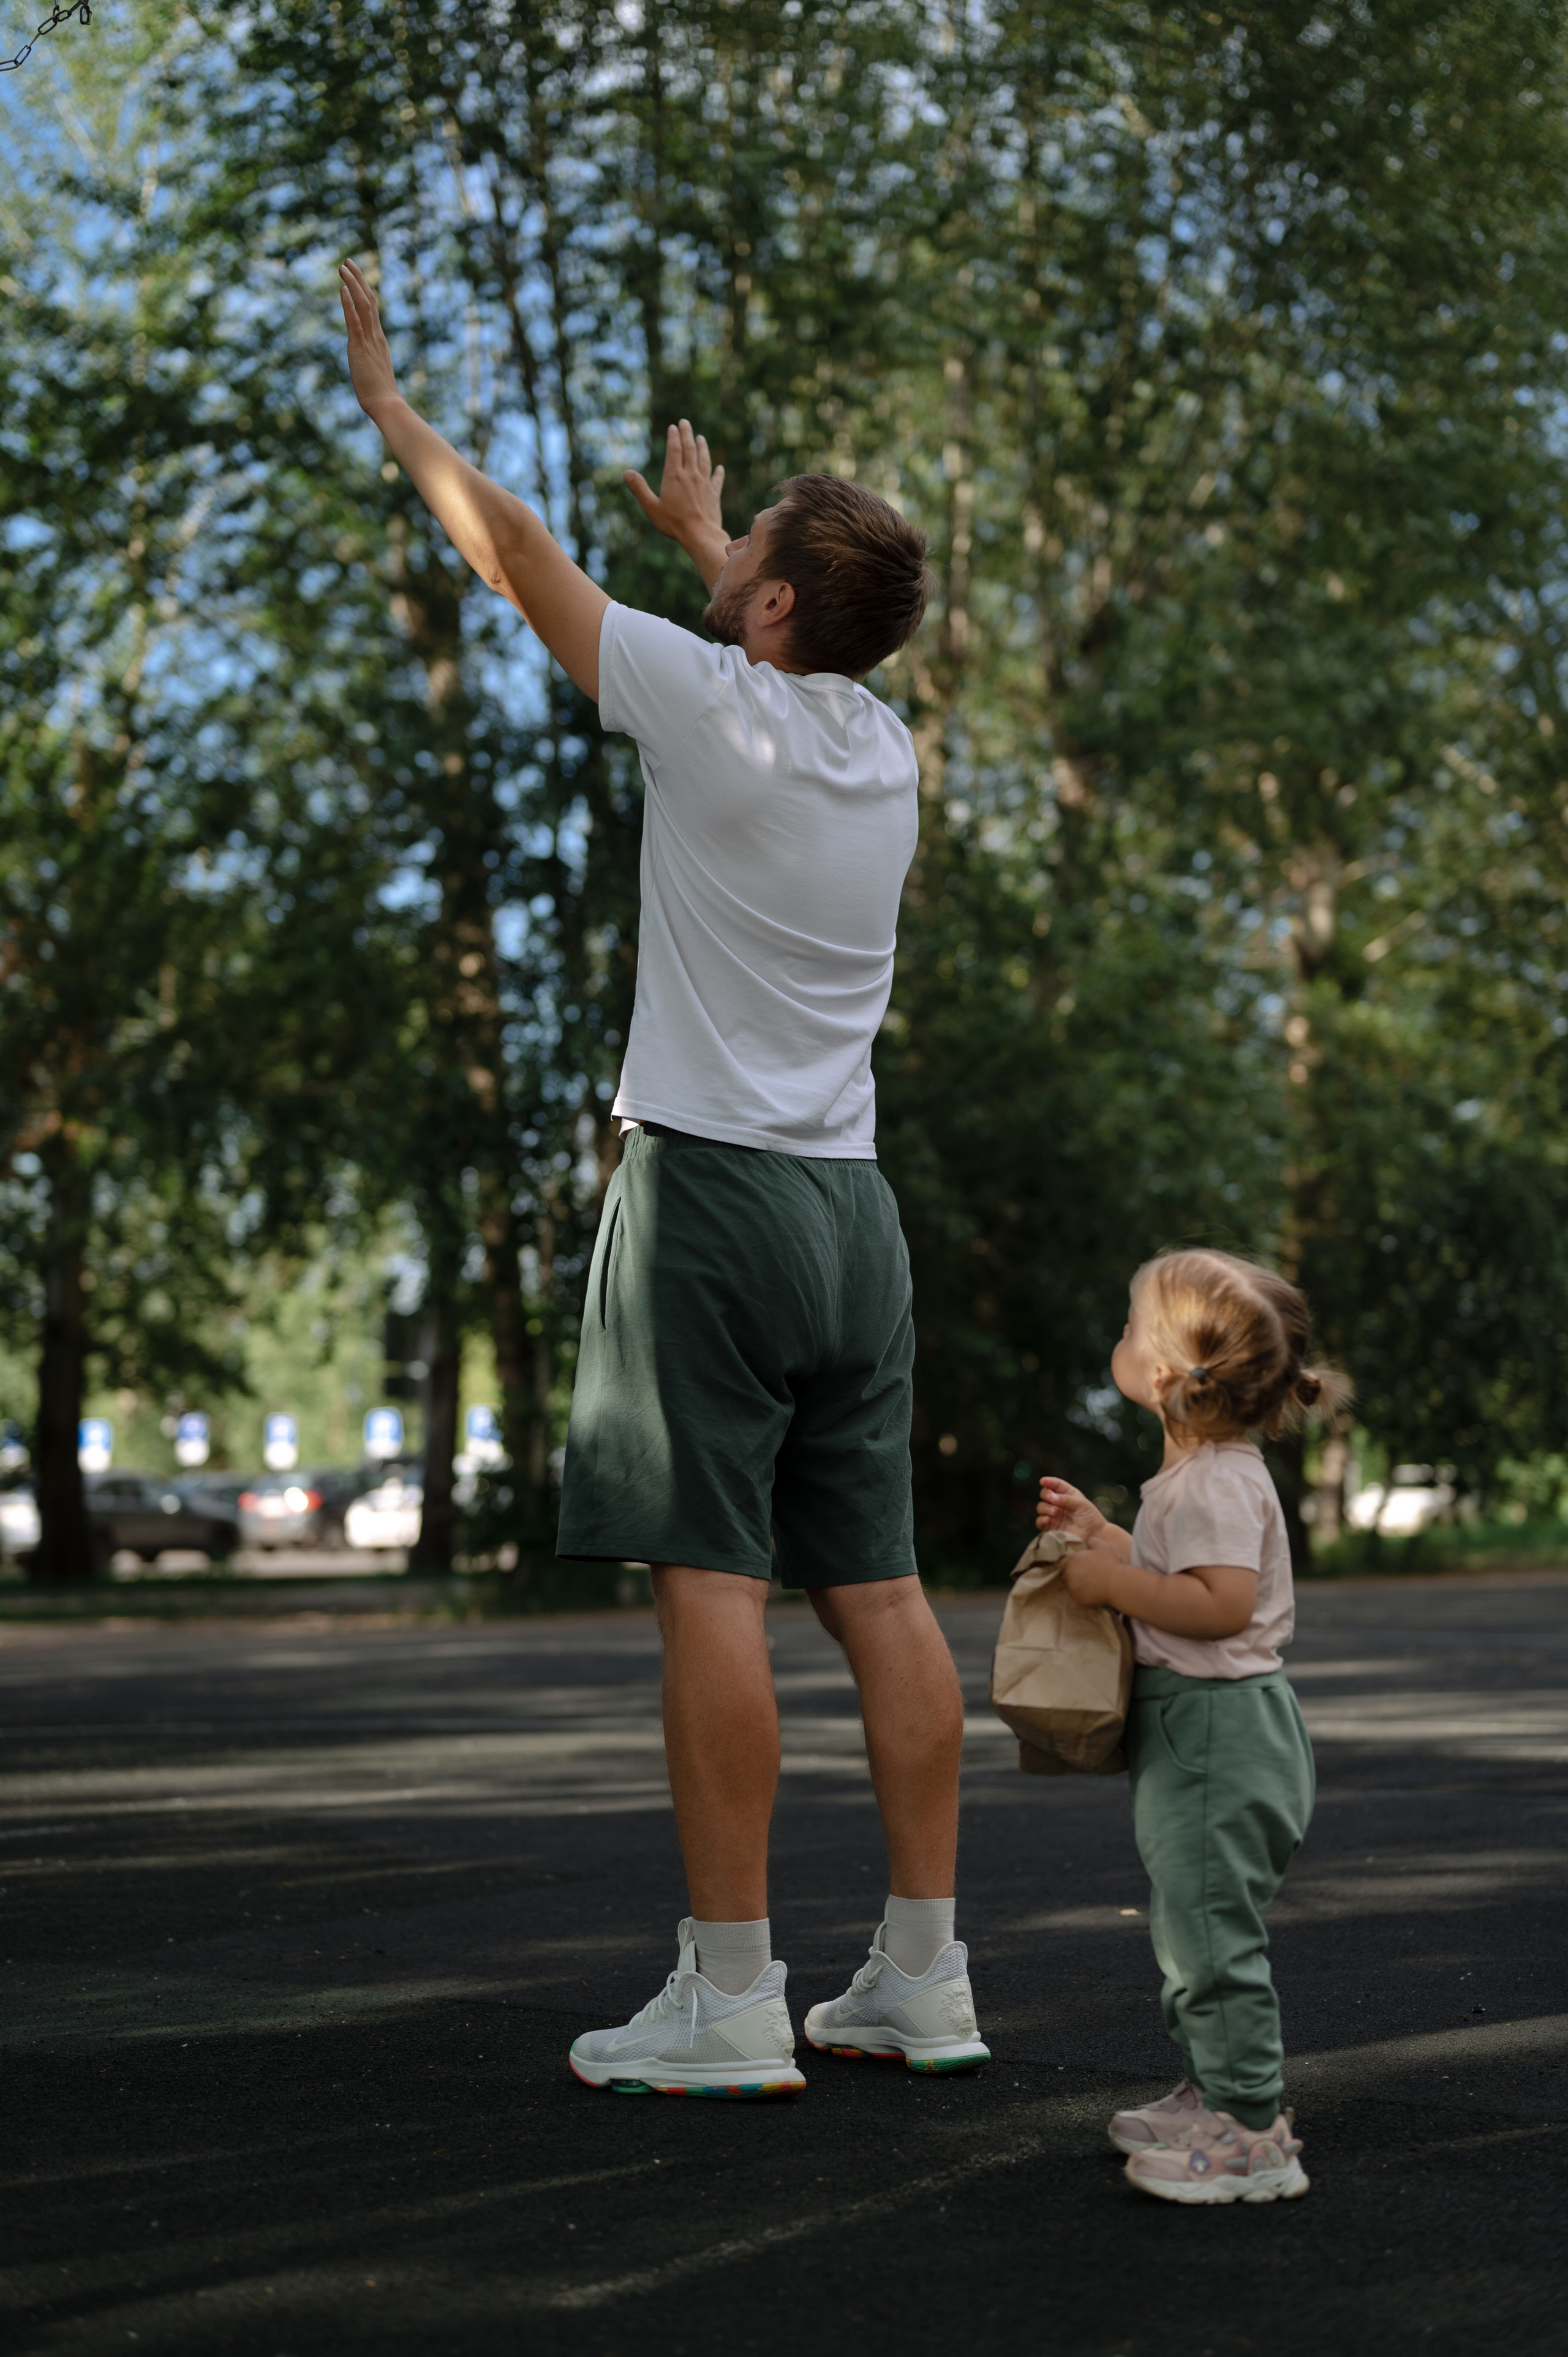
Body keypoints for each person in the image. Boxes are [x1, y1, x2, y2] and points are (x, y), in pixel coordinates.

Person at [337, 259, 987, 2100]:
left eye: (745, 551)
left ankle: (727, 1999)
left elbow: (521, 551)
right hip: (854, 1222)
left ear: (768, 608)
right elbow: (776, 638)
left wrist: (394, 406)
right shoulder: (883, 744)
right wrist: (729, 540)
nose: (719, 554)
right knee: (878, 1591)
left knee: (711, 1583)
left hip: (708, 1200)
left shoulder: (710, 705)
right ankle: (923, 1978)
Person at [1036, 1247, 1349, 2204]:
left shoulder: (1215, 1479)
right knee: (1190, 1929)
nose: (1121, 1341)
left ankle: (1254, 2136)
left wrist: (1106, 1582)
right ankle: (1212, 2090)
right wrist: (1108, 1538)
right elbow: (1181, 1576)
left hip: (1217, 1736)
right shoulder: (1201, 1475)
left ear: (1167, 1373)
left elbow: (1216, 1604)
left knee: (1210, 1940)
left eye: (1133, 1328)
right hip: (1207, 1730)